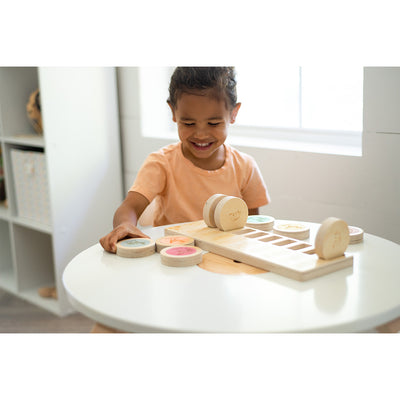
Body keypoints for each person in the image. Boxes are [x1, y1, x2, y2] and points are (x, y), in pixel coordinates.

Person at [100, 67, 270, 253]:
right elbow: (130, 207)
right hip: (173, 258)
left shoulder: (245, 167)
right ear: (173, 112)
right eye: (189, 123)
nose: (201, 134)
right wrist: (124, 225)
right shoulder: (161, 163)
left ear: (233, 114)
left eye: (213, 123)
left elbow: (251, 228)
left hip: (224, 258)